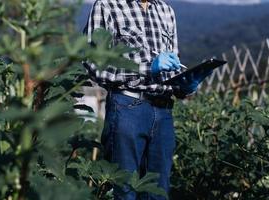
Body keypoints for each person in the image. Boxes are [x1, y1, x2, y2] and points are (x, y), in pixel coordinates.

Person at [83, 0, 212, 199]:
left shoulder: (166, 11)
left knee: (158, 193)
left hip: (163, 113)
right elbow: (93, 63)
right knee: (124, 190)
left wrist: (184, 85)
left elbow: (172, 66)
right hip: (127, 108)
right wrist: (146, 69)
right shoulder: (108, 5)